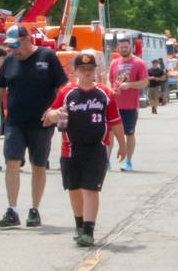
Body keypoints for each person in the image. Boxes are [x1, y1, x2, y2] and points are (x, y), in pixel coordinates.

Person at [0, 25, 69, 229]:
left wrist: (56, 113)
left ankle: (34, 209)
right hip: (14, 122)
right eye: (9, 46)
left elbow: (62, 89)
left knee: (38, 164)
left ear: (26, 39)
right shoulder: (8, 61)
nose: (13, 50)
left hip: (41, 123)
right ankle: (12, 210)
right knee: (12, 162)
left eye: (15, 45)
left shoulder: (47, 57)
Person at [43, 52, 127, 247]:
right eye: (83, 70)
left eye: (90, 70)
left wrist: (122, 144)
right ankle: (79, 224)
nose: (87, 74)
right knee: (74, 188)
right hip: (70, 148)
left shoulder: (104, 93)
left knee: (90, 188)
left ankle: (88, 230)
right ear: (76, 71)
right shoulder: (67, 92)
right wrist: (55, 114)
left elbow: (115, 121)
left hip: (97, 147)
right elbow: (48, 115)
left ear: (95, 71)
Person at [109, 35, 149, 171]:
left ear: (131, 47)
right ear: (117, 48)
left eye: (126, 46)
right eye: (121, 47)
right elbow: (110, 81)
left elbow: (145, 82)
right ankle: (106, 162)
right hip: (114, 105)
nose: (123, 49)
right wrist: (112, 90)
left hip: (130, 106)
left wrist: (129, 85)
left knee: (129, 133)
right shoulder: (114, 63)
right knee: (109, 133)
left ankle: (128, 161)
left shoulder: (139, 63)